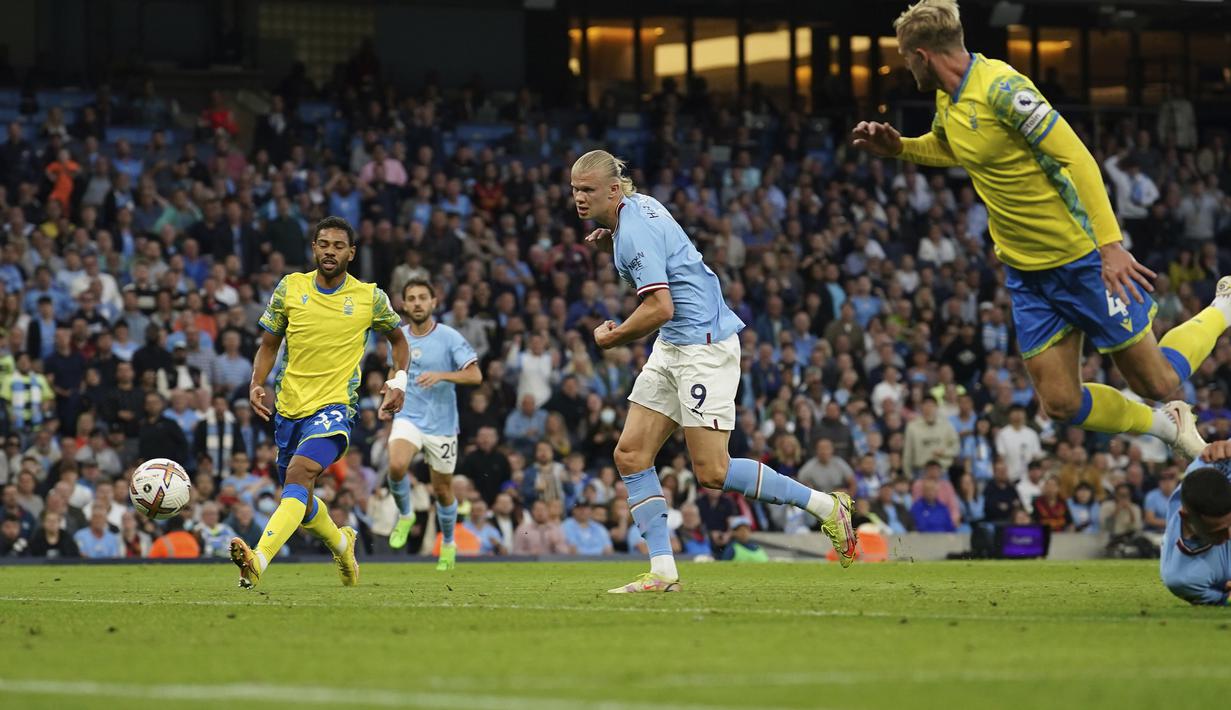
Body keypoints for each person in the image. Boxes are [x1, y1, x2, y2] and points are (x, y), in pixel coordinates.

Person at [851, 0, 1224, 460]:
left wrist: (1110, 246)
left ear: (922, 55)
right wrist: (901, 148)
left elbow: (1078, 157)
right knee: (1061, 402)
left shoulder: (1004, 90)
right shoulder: (948, 97)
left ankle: (1224, 305)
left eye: (906, 58)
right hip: (1027, 273)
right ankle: (1167, 428)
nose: (904, 68)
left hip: (1080, 258)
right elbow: (954, 148)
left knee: (1160, 382)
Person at [573, 149, 855, 594]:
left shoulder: (634, 232)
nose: (579, 198)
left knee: (712, 471)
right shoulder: (638, 207)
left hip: (704, 349)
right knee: (630, 454)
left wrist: (613, 337)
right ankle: (663, 571)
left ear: (612, 189)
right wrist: (610, 233)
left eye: (588, 190)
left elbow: (660, 307)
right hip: (675, 347)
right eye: (575, 190)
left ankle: (826, 507)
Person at [229, 216, 408, 590]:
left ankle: (257, 561)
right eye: (324, 244)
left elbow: (399, 341)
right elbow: (269, 344)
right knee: (300, 498)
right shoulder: (290, 289)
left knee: (300, 474)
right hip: (290, 409)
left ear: (351, 253)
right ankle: (343, 545)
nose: (330, 251)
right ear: (314, 248)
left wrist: (397, 381)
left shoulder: (369, 297)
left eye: (338, 245)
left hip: (335, 408)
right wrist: (256, 383)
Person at [386, 279, 481, 570]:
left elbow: (475, 376)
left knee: (442, 491)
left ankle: (449, 543)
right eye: (411, 298)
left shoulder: (449, 337)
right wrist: (388, 395)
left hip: (441, 425)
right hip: (409, 416)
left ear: (433, 302)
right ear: (403, 305)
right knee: (397, 465)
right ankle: (405, 515)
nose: (417, 303)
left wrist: (442, 375)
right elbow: (396, 370)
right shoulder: (399, 337)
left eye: (422, 297)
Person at [1159, 438, 1231, 605]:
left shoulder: (1212, 465)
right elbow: (1225, 601)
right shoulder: (1182, 578)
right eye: (1217, 532)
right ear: (1186, 517)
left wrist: (1225, 445)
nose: (1228, 535)